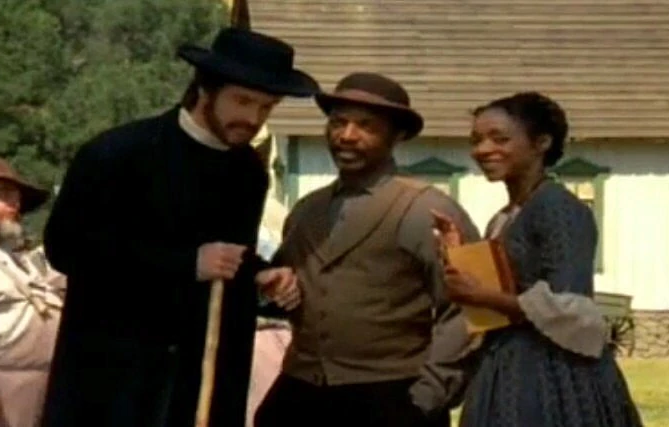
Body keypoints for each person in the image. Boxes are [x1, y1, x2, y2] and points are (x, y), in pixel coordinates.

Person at [41, 28, 319, 427]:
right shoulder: (118, 154)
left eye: (267, 107)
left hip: (202, 381)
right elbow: (67, 249)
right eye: (242, 101)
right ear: (205, 89)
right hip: (116, 381)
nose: (253, 119)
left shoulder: (246, 173)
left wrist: (260, 277)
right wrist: (186, 264)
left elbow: (229, 257)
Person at [254, 72, 480, 427]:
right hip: (304, 387)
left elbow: (470, 311)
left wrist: (428, 395)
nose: (346, 136)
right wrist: (273, 285)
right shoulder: (307, 210)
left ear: (396, 136)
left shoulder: (428, 210)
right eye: (338, 122)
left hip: (390, 392)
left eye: (366, 126)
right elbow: (284, 291)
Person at [431, 91, 643, 426]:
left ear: (541, 142)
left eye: (500, 139)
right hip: (506, 362)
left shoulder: (558, 208)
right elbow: (500, 298)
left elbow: (571, 307)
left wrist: (482, 296)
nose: (482, 149)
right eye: (476, 140)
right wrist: (458, 255)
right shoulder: (506, 216)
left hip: (555, 372)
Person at [0, 157, 63, 427]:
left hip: (44, 384)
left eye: (16, 197)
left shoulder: (19, 259)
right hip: (2, 389)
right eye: (2, 194)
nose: (14, 204)